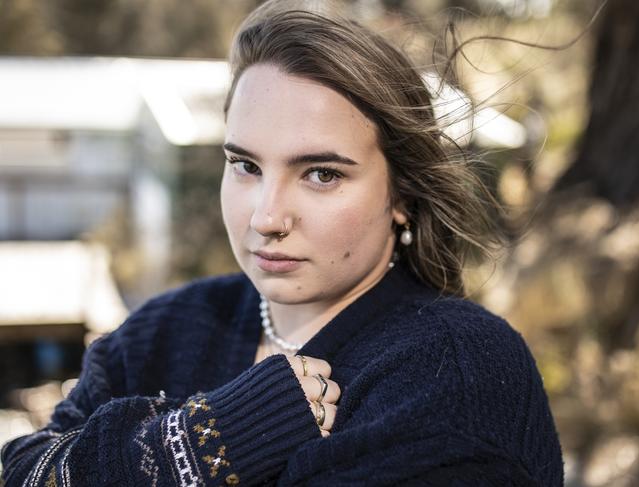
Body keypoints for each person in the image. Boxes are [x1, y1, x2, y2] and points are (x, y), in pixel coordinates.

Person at [1, 1, 563, 485]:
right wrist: (200, 445)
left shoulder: (455, 371)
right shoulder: (166, 330)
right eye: (245, 165)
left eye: (321, 174)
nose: (267, 217)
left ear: (401, 193)